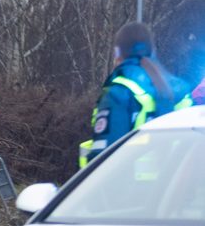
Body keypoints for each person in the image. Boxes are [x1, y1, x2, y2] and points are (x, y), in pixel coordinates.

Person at [80, 23, 192, 167]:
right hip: (175, 186)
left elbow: (105, 156)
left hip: (131, 185)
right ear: (152, 50)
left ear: (117, 53)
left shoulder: (119, 92)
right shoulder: (180, 90)